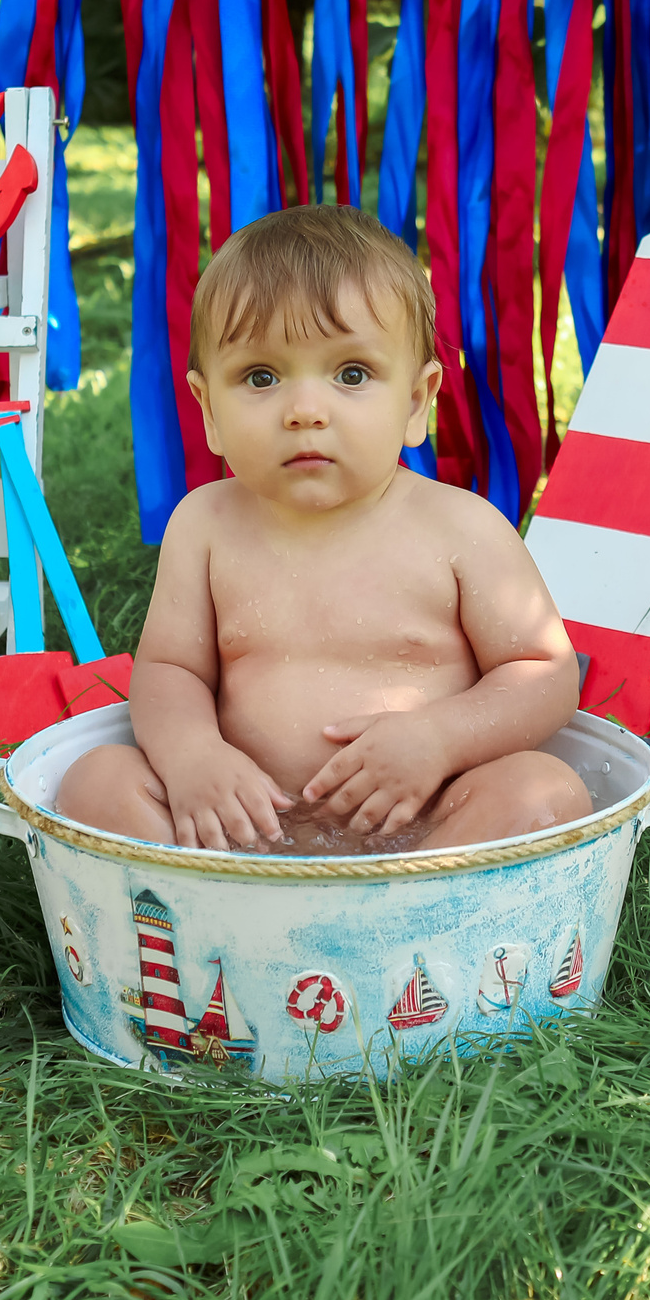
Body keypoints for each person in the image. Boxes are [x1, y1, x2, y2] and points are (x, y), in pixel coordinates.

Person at [58, 204, 591, 854]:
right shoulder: (205, 524)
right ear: (209, 410)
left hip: (422, 833)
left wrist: (438, 738)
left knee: (544, 790)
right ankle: (217, 926)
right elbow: (171, 670)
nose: (305, 410)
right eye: (261, 376)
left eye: (351, 374)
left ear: (418, 400)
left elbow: (544, 671)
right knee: (94, 781)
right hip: (238, 833)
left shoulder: (462, 530)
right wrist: (194, 758)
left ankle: (405, 932)